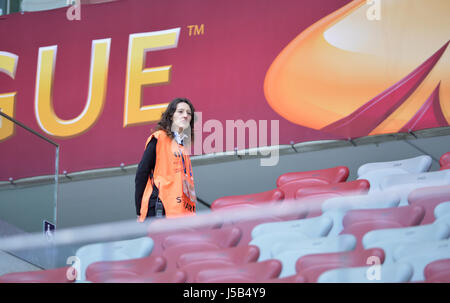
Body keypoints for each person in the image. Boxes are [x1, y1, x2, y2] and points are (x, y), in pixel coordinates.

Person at [135, 98, 197, 222]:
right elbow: (142, 173)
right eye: (180, 111)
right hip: (160, 210)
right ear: (170, 116)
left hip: (181, 213)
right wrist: (139, 210)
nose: (185, 115)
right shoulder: (159, 138)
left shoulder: (182, 147)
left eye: (189, 113)